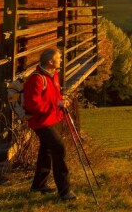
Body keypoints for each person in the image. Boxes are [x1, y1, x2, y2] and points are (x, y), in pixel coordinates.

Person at [23, 47, 77, 201]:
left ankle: (38, 185)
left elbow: (55, 95)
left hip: (51, 118)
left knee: (46, 149)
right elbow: (33, 105)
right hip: (40, 122)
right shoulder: (37, 79)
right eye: (59, 58)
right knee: (59, 147)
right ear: (50, 61)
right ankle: (65, 191)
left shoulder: (54, 75)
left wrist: (62, 102)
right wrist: (56, 104)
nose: (61, 59)